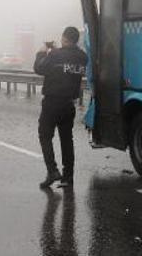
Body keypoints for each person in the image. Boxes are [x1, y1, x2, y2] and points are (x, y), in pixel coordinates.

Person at [34, 27, 86, 188]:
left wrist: (42, 52)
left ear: (64, 38)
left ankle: (52, 171)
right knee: (66, 140)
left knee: (45, 136)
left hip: (52, 103)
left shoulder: (55, 54)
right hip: (69, 104)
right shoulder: (83, 57)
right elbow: (69, 60)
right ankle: (68, 177)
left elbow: (39, 69)